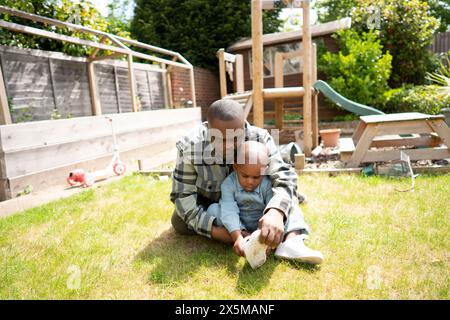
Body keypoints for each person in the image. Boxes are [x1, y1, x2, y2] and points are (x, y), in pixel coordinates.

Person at [170, 99, 323, 264]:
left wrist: (276, 212)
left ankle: (291, 242)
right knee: (179, 221)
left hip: (258, 197)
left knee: (286, 198)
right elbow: (182, 196)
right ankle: (245, 232)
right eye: (220, 139)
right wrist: (226, 234)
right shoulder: (190, 147)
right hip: (216, 201)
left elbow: (284, 176)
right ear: (208, 130)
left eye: (235, 138)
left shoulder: (260, 137)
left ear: (243, 127)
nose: (228, 146)